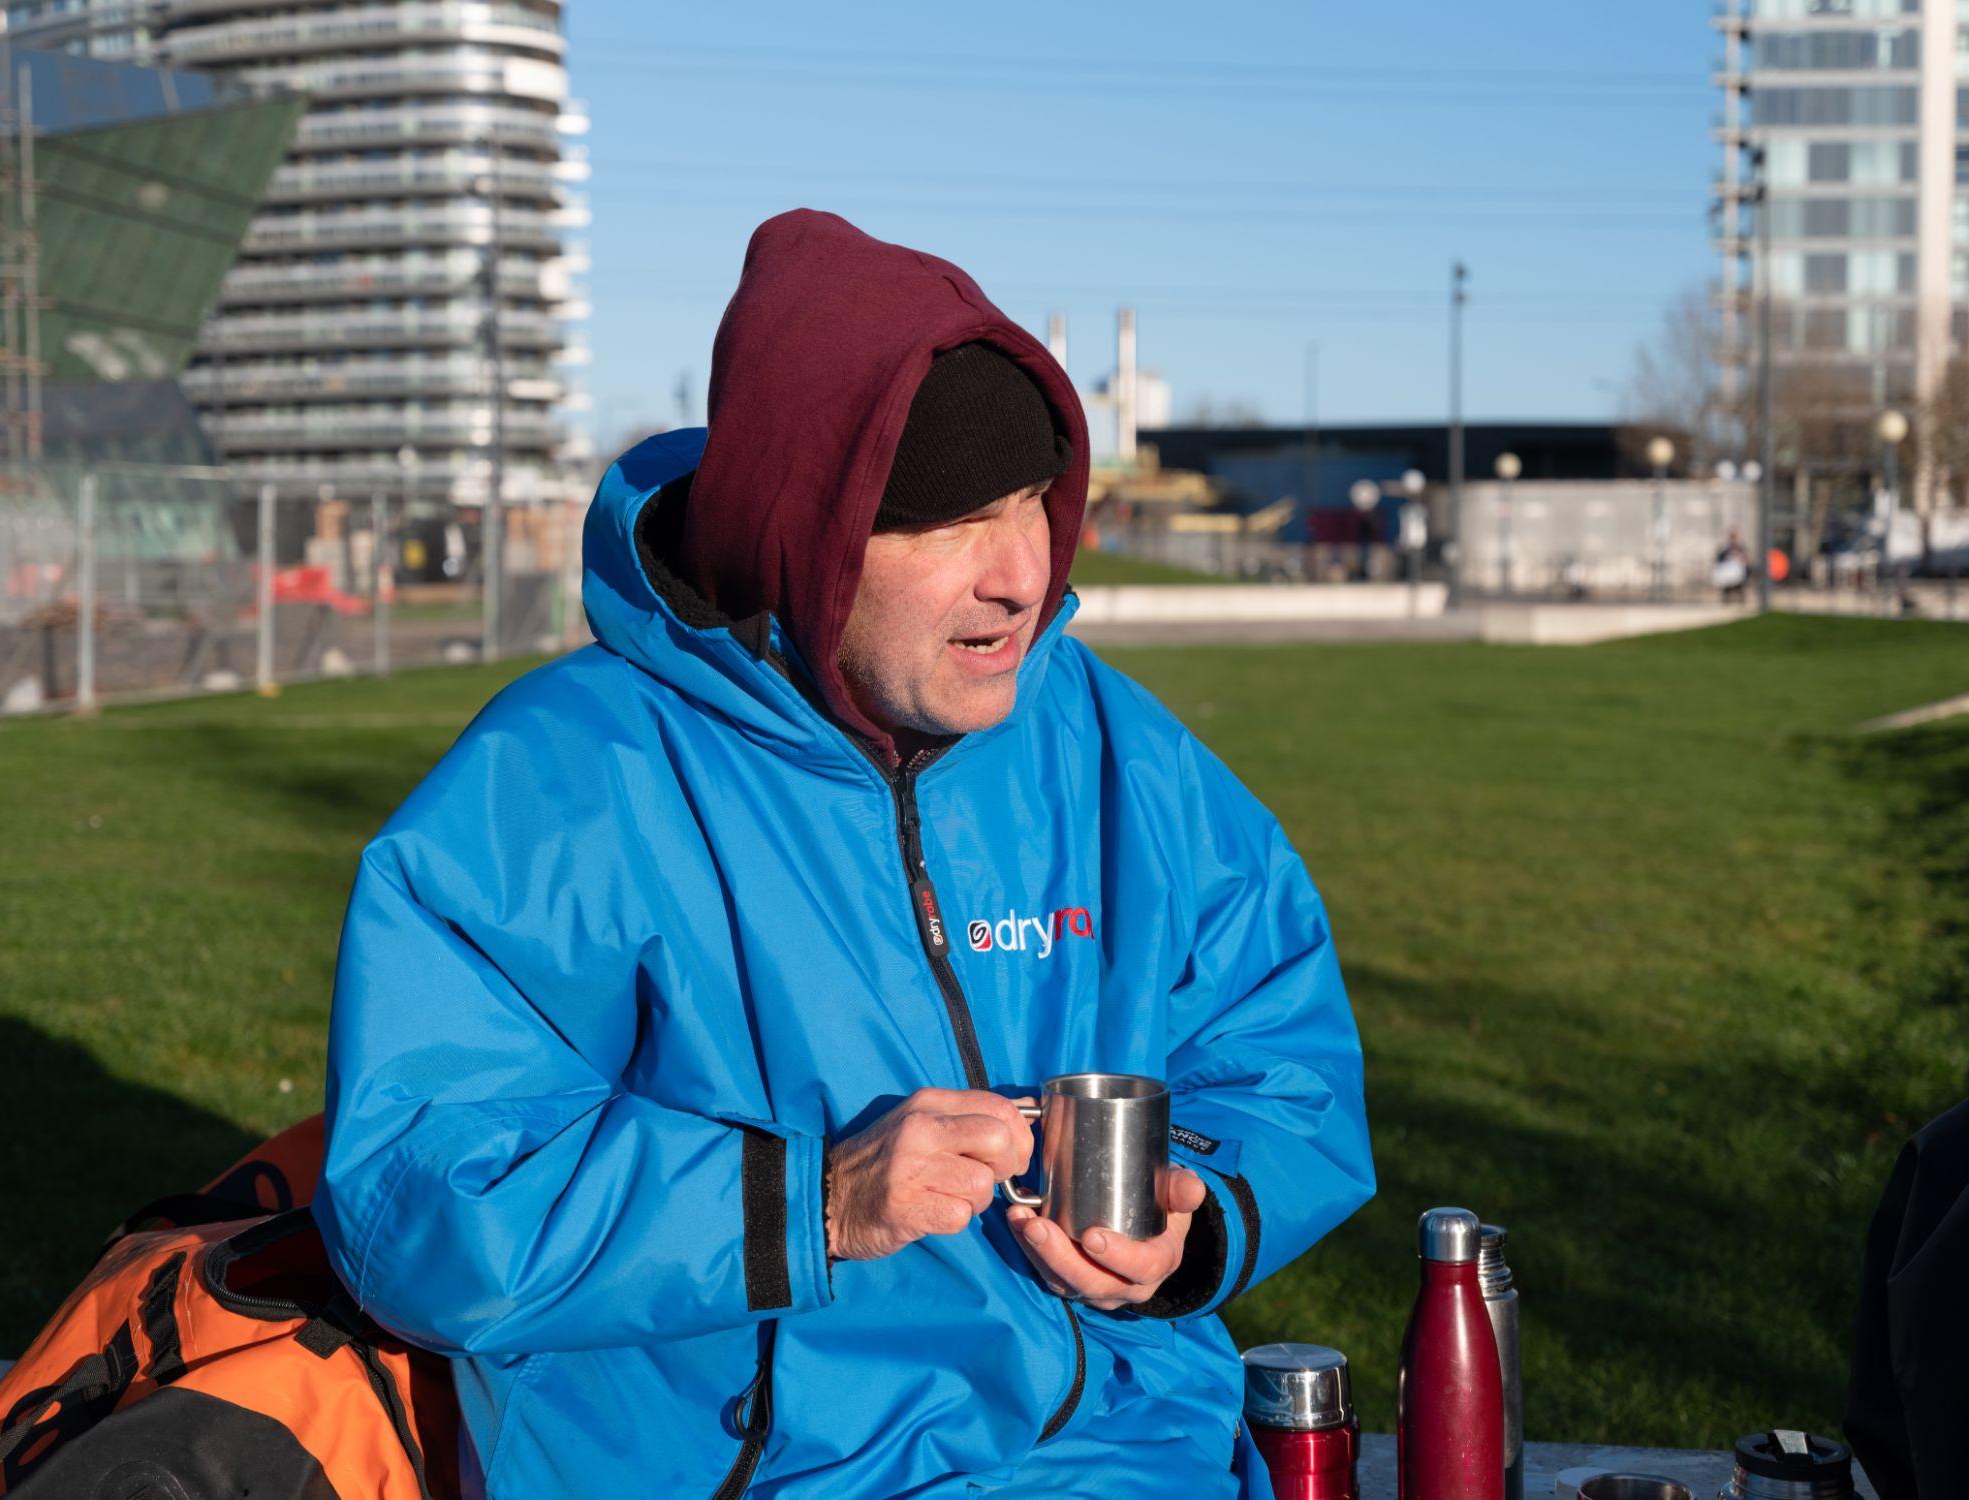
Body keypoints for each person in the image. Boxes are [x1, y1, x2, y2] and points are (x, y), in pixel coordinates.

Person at [312, 209, 1374, 1498]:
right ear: (800, 532)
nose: (1018, 576)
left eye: (1033, 501)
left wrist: (1194, 1221)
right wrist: (807, 1203)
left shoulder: (1108, 744)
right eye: (942, 524)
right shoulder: (564, 782)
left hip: (1128, 1454)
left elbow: (1282, 1044)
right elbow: (420, 1199)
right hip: (757, 1475)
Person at [1713, 527, 1753, 605]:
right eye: (1733, 537)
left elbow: (1748, 560)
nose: (1734, 539)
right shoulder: (1725, 549)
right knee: (1727, 586)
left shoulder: (1742, 548)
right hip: (1728, 574)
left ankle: (1741, 602)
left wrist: (1741, 559)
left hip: (1739, 573)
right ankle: (1726, 601)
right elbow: (1719, 560)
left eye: (1735, 537)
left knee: (1740, 586)